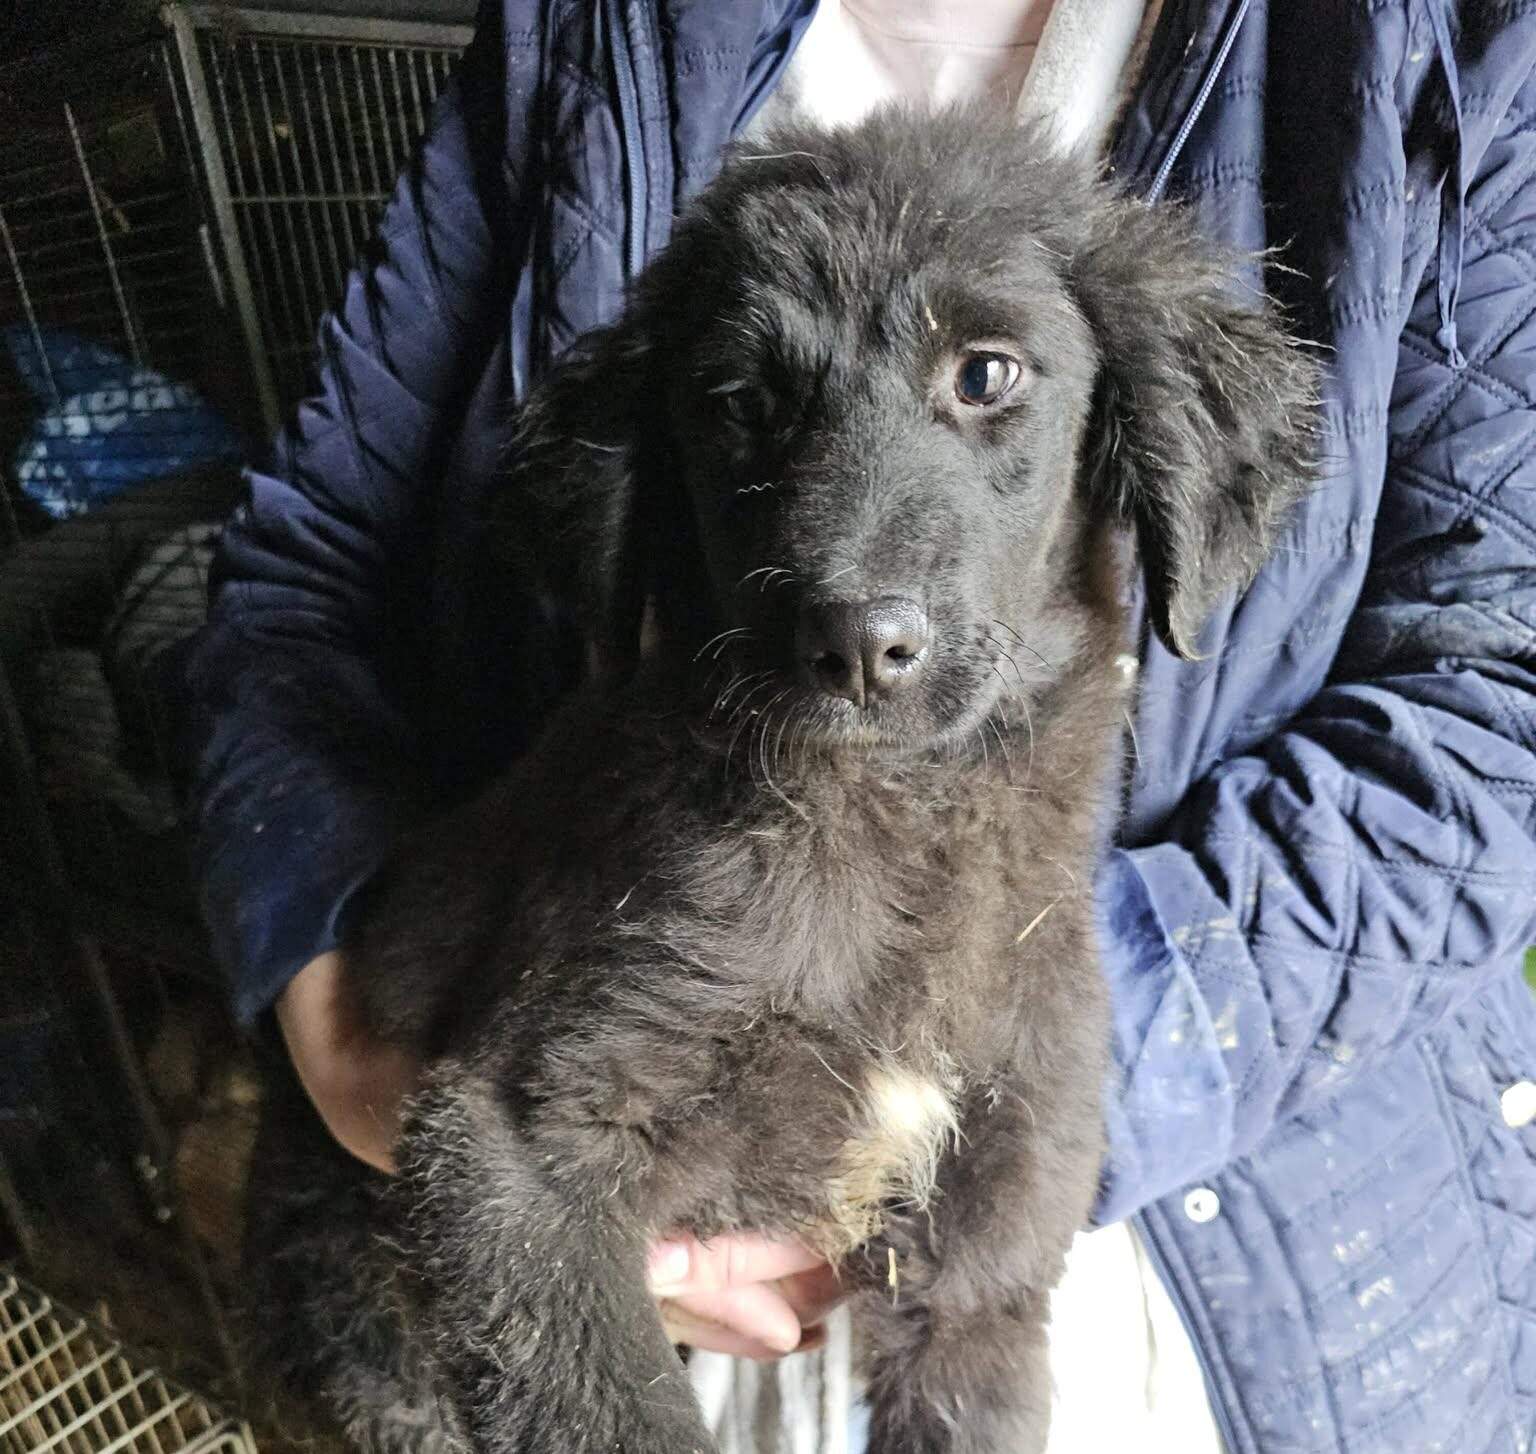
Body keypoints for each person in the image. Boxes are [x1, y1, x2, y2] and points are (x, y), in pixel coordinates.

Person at [175, 0, 1536, 1450]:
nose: (855, 573)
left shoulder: (1445, 45)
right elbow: (311, 567)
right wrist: (328, 1013)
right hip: (531, 1276)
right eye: (751, 405)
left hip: (1236, 1292)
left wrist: (1052, 1078)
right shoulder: (584, 30)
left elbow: (1499, 701)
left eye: (986, 378)